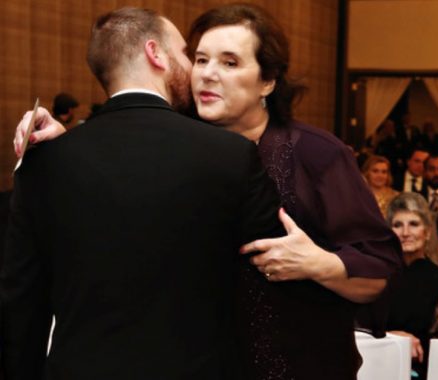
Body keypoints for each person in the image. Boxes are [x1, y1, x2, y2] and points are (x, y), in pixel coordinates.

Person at [14, 3, 403, 379]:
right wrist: (64, 146)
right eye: (199, 59)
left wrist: (319, 263)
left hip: (294, 363)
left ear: (267, 81)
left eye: (230, 62)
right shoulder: (184, 148)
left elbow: (378, 267)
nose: (207, 74)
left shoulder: (316, 154)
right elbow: (121, 190)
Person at [2, 8, 283, 379]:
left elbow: (21, 303)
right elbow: (270, 274)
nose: (195, 69)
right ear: (156, 53)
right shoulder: (229, 155)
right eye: (187, 53)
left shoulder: (45, 163)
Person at [386, 193, 438, 380]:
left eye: (413, 224)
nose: (405, 232)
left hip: (418, 370)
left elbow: (437, 348)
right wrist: (392, 338)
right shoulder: (374, 277)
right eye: (397, 225)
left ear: (427, 232)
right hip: (374, 361)